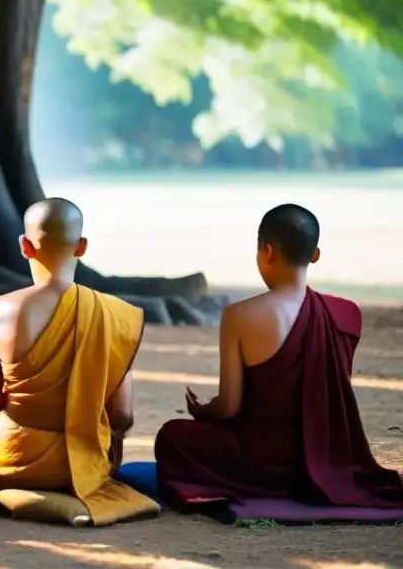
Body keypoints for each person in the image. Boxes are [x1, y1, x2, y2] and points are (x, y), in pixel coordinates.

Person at [155, 204, 403, 508]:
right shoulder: (347, 313)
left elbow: (230, 407)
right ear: (315, 255)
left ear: (267, 251)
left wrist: (203, 411)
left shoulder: (238, 316)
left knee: (171, 437)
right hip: (325, 456)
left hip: (256, 460)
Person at [0, 198, 157, 525]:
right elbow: (121, 415)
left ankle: (5, 492)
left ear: (25, 246)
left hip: (11, 456)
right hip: (82, 464)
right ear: (81, 247)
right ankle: (69, 495)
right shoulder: (112, 314)